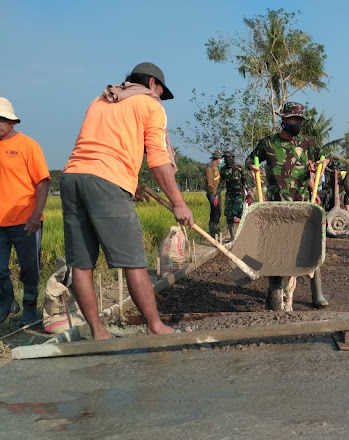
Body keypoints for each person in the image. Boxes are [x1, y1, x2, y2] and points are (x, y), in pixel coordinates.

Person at [61, 62, 193, 341]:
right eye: (160, 90)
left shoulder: (102, 98)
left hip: (73, 178)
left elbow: (100, 146)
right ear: (152, 83)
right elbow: (158, 160)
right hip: (106, 181)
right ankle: (156, 327)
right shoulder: (149, 105)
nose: (159, 96)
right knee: (134, 262)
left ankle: (99, 333)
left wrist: (131, 184)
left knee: (81, 264)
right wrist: (178, 202)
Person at [246, 101, 330, 310]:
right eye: (294, 119)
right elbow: (250, 158)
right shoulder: (268, 144)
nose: (298, 124)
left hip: (301, 204)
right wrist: (253, 168)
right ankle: (276, 285)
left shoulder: (308, 142)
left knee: (309, 245)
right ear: (284, 120)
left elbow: (322, 158)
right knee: (276, 247)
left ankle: (316, 292)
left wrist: (322, 166)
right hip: (276, 204)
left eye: (300, 120)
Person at [0, 98, 51, 326]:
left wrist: (35, 216)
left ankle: (30, 311)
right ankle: (8, 304)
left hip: (25, 221)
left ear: (12, 122)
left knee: (29, 269)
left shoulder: (28, 146)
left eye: (2, 119)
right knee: (0, 270)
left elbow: (42, 183)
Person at [218, 150, 251, 241]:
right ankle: (232, 236)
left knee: (237, 212)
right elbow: (221, 183)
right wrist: (217, 194)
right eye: (226, 158)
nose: (227, 159)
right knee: (228, 214)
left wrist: (248, 192)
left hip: (239, 193)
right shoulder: (223, 169)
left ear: (232, 158)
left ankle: (246, 231)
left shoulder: (239, 167)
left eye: (229, 158)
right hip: (229, 193)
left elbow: (245, 180)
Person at [205, 150, 223, 236]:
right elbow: (210, 182)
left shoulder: (215, 167)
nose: (221, 160)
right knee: (215, 212)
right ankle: (213, 231)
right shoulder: (210, 167)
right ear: (217, 159)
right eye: (220, 159)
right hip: (213, 194)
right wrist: (213, 195)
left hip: (217, 193)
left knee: (218, 211)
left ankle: (215, 229)